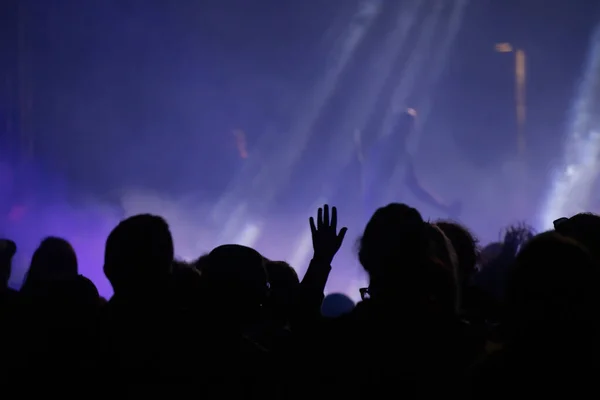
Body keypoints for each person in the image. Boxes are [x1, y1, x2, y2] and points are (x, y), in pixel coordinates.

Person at [362, 108, 461, 218]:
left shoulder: (401, 156)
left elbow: (416, 189)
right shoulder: (384, 148)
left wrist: (444, 207)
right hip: (374, 211)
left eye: (408, 127)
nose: (406, 130)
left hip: (384, 213)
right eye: (405, 126)